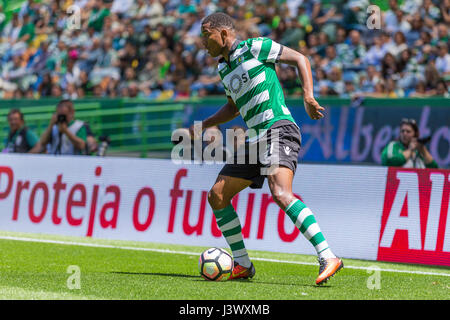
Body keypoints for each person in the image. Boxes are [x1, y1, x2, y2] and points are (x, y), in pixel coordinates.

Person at [189, 13, 343, 285]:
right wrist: (205, 124)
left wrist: (307, 95)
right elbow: (233, 108)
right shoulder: (223, 68)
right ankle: (243, 264)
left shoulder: (255, 47)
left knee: (281, 192)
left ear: (223, 33)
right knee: (217, 195)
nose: (203, 42)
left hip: (279, 128)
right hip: (255, 138)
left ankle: (328, 255)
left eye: (206, 34)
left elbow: (300, 59)